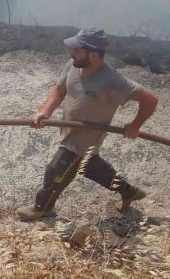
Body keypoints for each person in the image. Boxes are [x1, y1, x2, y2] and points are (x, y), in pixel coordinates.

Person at [17, 28, 159, 220]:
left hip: (86, 136)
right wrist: (46, 111)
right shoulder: (73, 65)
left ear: (92, 53)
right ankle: (129, 192)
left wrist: (135, 126)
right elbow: (58, 89)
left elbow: (150, 99)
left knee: (56, 169)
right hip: (70, 131)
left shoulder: (112, 80)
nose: (71, 53)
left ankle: (43, 208)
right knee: (90, 166)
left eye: (76, 50)